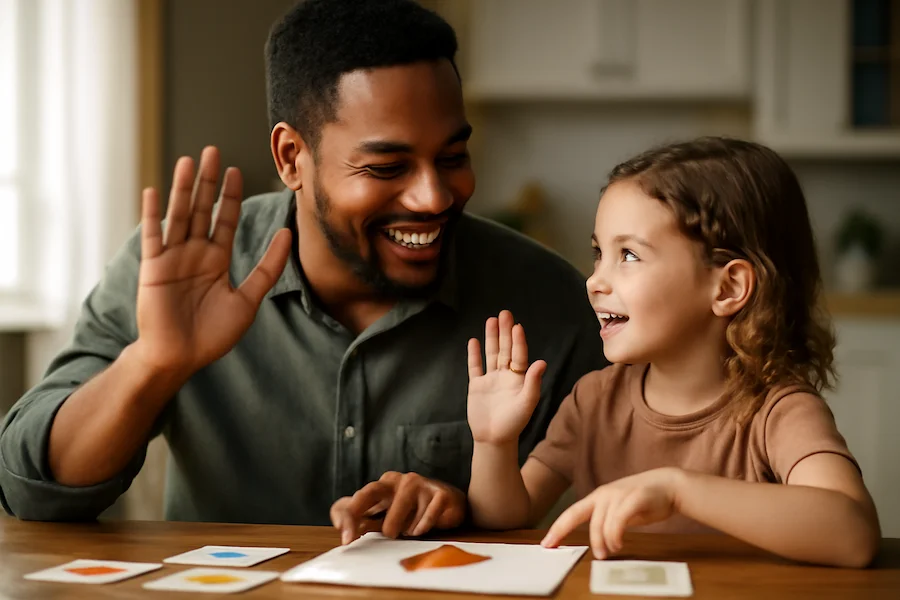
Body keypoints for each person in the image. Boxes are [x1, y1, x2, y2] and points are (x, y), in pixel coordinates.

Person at [0, 0, 604, 531]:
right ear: (292, 157)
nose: (435, 197)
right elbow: (30, 489)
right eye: (387, 168)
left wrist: (463, 509)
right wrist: (153, 364)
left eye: (452, 156)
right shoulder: (181, 271)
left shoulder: (550, 302)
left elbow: (636, 503)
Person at [464, 137, 881, 568]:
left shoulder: (779, 411)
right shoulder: (593, 401)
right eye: (598, 254)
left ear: (728, 288)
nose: (595, 281)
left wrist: (679, 490)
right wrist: (494, 443)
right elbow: (506, 521)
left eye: (628, 254)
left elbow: (853, 535)